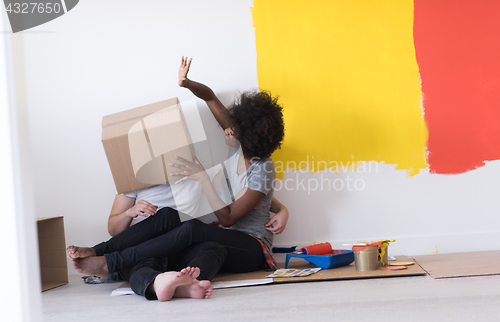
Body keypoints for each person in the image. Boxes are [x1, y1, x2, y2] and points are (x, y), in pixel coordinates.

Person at [68, 56, 286, 300]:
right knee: (178, 222)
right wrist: (187, 83)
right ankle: (185, 282)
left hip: (252, 246)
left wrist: (203, 179)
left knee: (193, 228)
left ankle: (111, 263)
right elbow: (210, 97)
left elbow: (229, 217)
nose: (226, 129)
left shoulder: (262, 168)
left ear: (248, 138)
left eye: (232, 130)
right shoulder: (236, 147)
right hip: (224, 238)